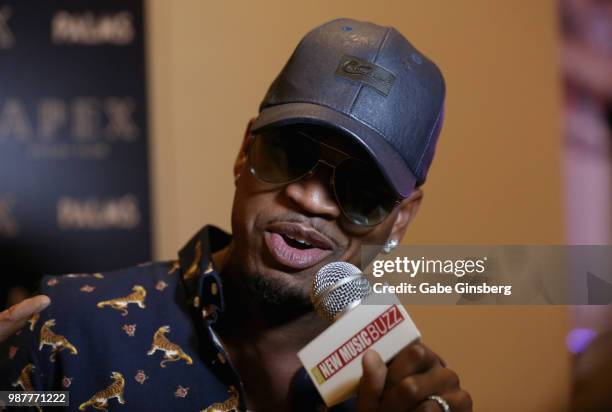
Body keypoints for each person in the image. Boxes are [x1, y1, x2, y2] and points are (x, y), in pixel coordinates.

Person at [0, 18, 472, 412]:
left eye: (361, 188)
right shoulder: (67, 331)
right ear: (245, 151)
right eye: (289, 154)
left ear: (402, 219)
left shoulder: (401, 397)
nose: (311, 201)